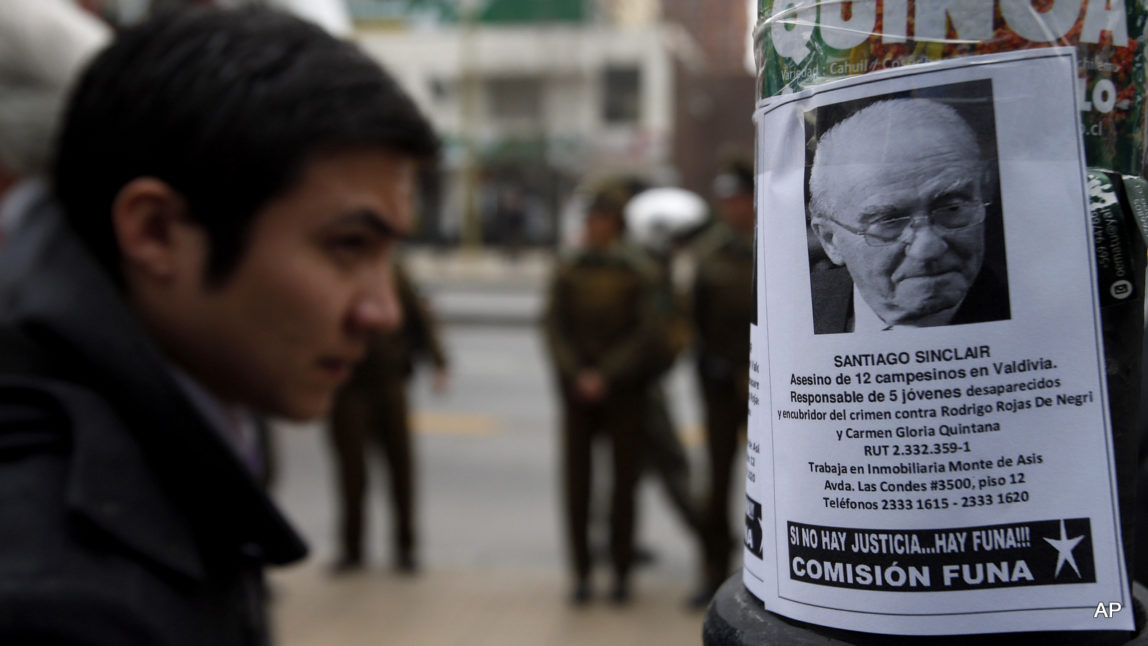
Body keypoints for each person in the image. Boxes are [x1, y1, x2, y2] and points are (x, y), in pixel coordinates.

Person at [0, 7, 438, 645]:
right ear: (156, 231)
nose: (382, 311)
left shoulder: (188, 428)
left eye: (389, 253)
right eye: (348, 246)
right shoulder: (66, 603)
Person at [543, 184, 660, 604]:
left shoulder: (638, 270)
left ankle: (622, 569)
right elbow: (553, 326)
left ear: (616, 224)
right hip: (577, 393)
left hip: (623, 391)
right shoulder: (568, 268)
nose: (593, 226)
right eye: (589, 218)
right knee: (577, 484)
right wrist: (576, 373)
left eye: (601, 218)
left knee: (623, 485)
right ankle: (581, 571)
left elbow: (647, 330)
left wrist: (607, 373)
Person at [808, 98, 1009, 334]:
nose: (928, 248)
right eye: (889, 222)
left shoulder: (1028, 310)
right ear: (831, 240)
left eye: (952, 209)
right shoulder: (801, 306)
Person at [328, 260, 448, 575]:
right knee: (352, 473)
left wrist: (438, 361)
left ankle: (405, 548)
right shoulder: (335, 268)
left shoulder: (392, 269)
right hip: (348, 385)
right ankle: (352, 549)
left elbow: (418, 317)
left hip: (390, 381)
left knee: (401, 468)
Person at [692, 158, 755, 604]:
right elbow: (693, 318)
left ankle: (767, 564)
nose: (732, 208)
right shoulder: (709, 253)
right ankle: (712, 568)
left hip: (762, 388)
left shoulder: (774, 243)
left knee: (772, 477)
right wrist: (709, 365)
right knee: (715, 482)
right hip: (717, 384)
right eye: (726, 201)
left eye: (738, 199)